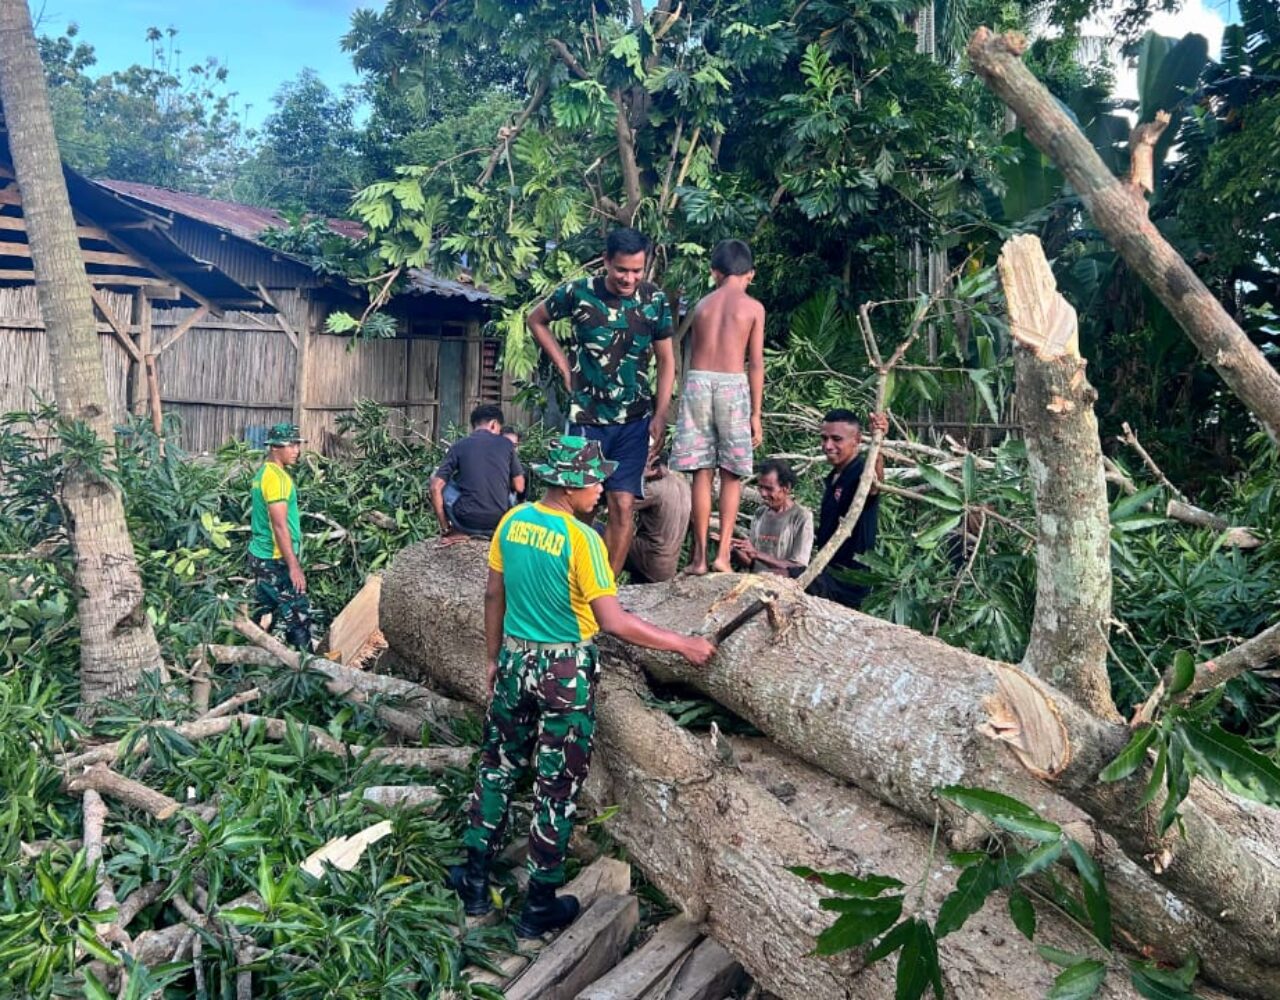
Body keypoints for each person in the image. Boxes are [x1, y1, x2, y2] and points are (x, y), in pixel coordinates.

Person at [448, 436, 715, 937]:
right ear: (571, 485)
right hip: (563, 672)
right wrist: (681, 644)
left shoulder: (513, 520)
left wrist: (492, 658)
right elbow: (612, 621)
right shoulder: (582, 540)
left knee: (498, 769)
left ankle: (475, 882)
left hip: (514, 660)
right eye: (595, 481)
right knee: (556, 786)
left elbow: (492, 593)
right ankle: (538, 906)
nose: (602, 491)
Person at [526, 227, 676, 577]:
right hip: (587, 418)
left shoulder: (654, 301)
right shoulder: (578, 293)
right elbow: (537, 320)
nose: (629, 278)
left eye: (637, 271)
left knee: (623, 504)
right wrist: (564, 367)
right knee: (582, 507)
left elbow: (667, 361)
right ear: (606, 261)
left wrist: (661, 414)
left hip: (635, 420)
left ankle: (605, 589)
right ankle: (573, 580)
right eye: (622, 269)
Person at [670, 239, 765, 575]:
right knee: (731, 474)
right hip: (732, 385)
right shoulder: (753, 308)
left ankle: (697, 558)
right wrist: (755, 413)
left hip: (697, 384)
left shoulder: (702, 305)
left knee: (701, 471)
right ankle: (722, 555)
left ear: (715, 272)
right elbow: (755, 364)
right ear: (749, 274)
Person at [806, 408, 889, 609]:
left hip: (848, 582)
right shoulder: (834, 477)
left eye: (836, 439)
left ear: (857, 440)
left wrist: (877, 442)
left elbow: (873, 483)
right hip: (826, 572)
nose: (828, 445)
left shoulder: (859, 472)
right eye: (824, 438)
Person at [248, 422, 313, 649]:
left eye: (298, 444)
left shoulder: (264, 473)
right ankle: (308, 672)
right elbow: (279, 525)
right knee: (298, 616)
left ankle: (240, 664)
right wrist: (293, 566)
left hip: (260, 555)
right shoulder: (276, 479)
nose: (296, 450)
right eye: (291, 445)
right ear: (275, 447)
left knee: (264, 611)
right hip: (275, 560)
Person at [431, 404, 526, 542]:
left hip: (466, 523)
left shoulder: (459, 445)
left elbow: (435, 487)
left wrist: (445, 528)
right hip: (499, 521)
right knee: (511, 492)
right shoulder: (507, 444)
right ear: (494, 424)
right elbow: (520, 487)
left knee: (436, 479)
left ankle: (451, 530)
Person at [732, 459, 813, 577]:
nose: (763, 494)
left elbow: (798, 569)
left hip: (783, 588)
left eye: (769, 488)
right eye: (760, 487)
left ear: (786, 488)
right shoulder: (760, 513)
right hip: (755, 583)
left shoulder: (801, 517)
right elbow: (752, 563)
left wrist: (757, 554)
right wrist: (734, 550)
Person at [624, 454, 692, 584]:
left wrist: (640, 477)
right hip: (668, 567)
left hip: (651, 557)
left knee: (597, 529)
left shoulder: (655, 488)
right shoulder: (684, 485)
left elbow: (619, 503)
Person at [502, 425, 528, 503]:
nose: (511, 449)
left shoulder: (522, 472)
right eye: (506, 445)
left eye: (514, 446)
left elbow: (522, 501)